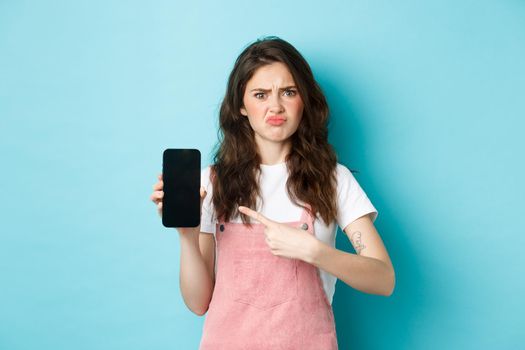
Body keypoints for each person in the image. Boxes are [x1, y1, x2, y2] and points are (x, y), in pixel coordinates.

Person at [150, 36, 395, 350]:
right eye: (260, 94)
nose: (275, 107)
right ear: (241, 105)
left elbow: (383, 278)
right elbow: (199, 303)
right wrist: (187, 235)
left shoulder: (333, 180)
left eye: (288, 92)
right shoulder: (211, 184)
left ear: (303, 100)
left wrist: (314, 252)